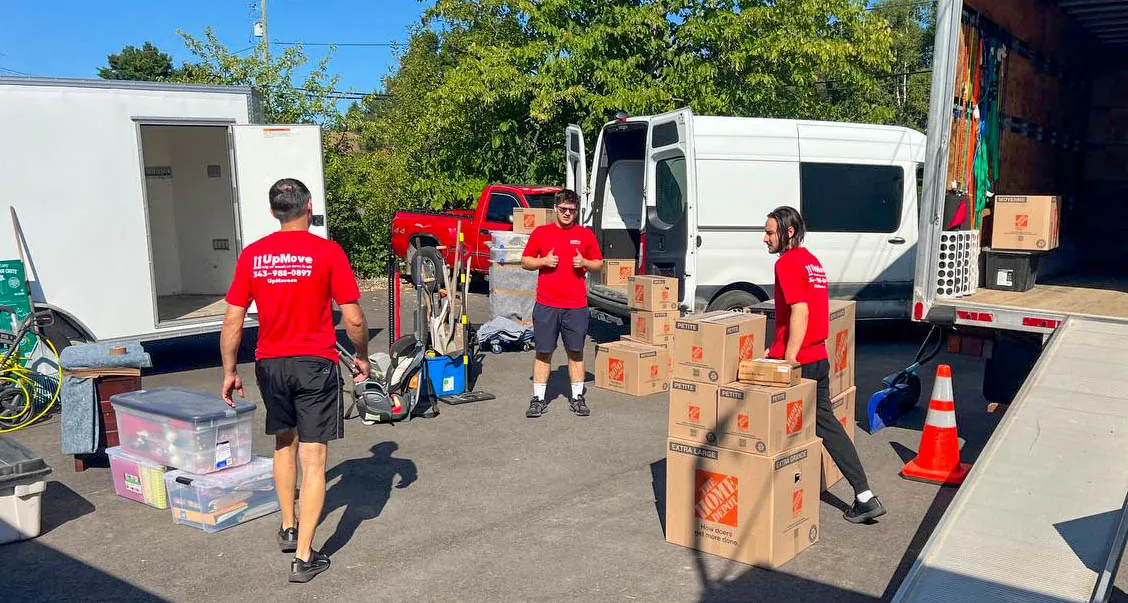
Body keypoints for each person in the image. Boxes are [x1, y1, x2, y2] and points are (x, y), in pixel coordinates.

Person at [220, 178, 371, 583]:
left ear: (274, 212)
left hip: (271, 364)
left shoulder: (253, 255)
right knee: (314, 458)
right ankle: (304, 556)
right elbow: (353, 317)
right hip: (313, 364)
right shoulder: (327, 251)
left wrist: (229, 370)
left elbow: (233, 318)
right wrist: (360, 355)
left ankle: (288, 524)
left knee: (283, 443)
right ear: (308, 207)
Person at [763, 206, 886, 524]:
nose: (764, 239)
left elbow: (800, 311)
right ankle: (864, 495)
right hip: (818, 356)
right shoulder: (812, 262)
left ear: (788, 232)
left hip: (800, 361)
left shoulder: (787, 263)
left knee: (769, 428)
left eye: (769, 232)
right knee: (828, 426)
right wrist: (777, 345)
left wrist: (788, 357)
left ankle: (772, 502)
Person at [520, 189, 603, 418]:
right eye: (563, 209)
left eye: (572, 210)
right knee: (543, 352)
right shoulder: (541, 233)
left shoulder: (585, 235)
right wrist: (543, 261)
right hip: (547, 304)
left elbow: (598, 263)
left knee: (575, 352)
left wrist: (584, 261)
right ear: (556, 209)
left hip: (576, 305)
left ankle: (577, 398)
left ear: (576, 211)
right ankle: (538, 399)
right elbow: (525, 261)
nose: (567, 213)